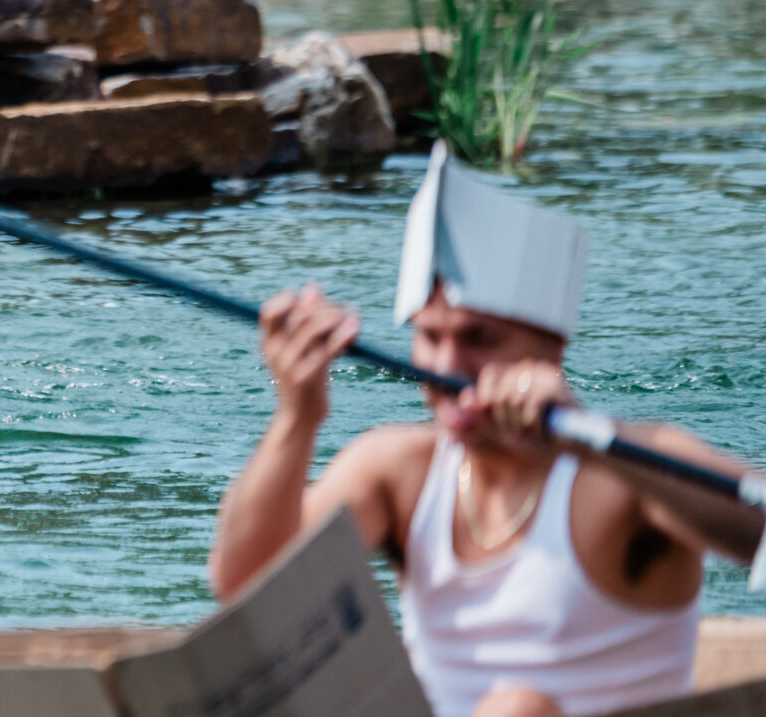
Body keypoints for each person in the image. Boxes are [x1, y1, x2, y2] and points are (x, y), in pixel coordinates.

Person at [209, 147, 763, 717]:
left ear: (550, 348)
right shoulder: (399, 468)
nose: (447, 369)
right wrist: (297, 418)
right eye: (429, 336)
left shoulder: (632, 468)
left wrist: (588, 441)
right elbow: (245, 587)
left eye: (479, 339)